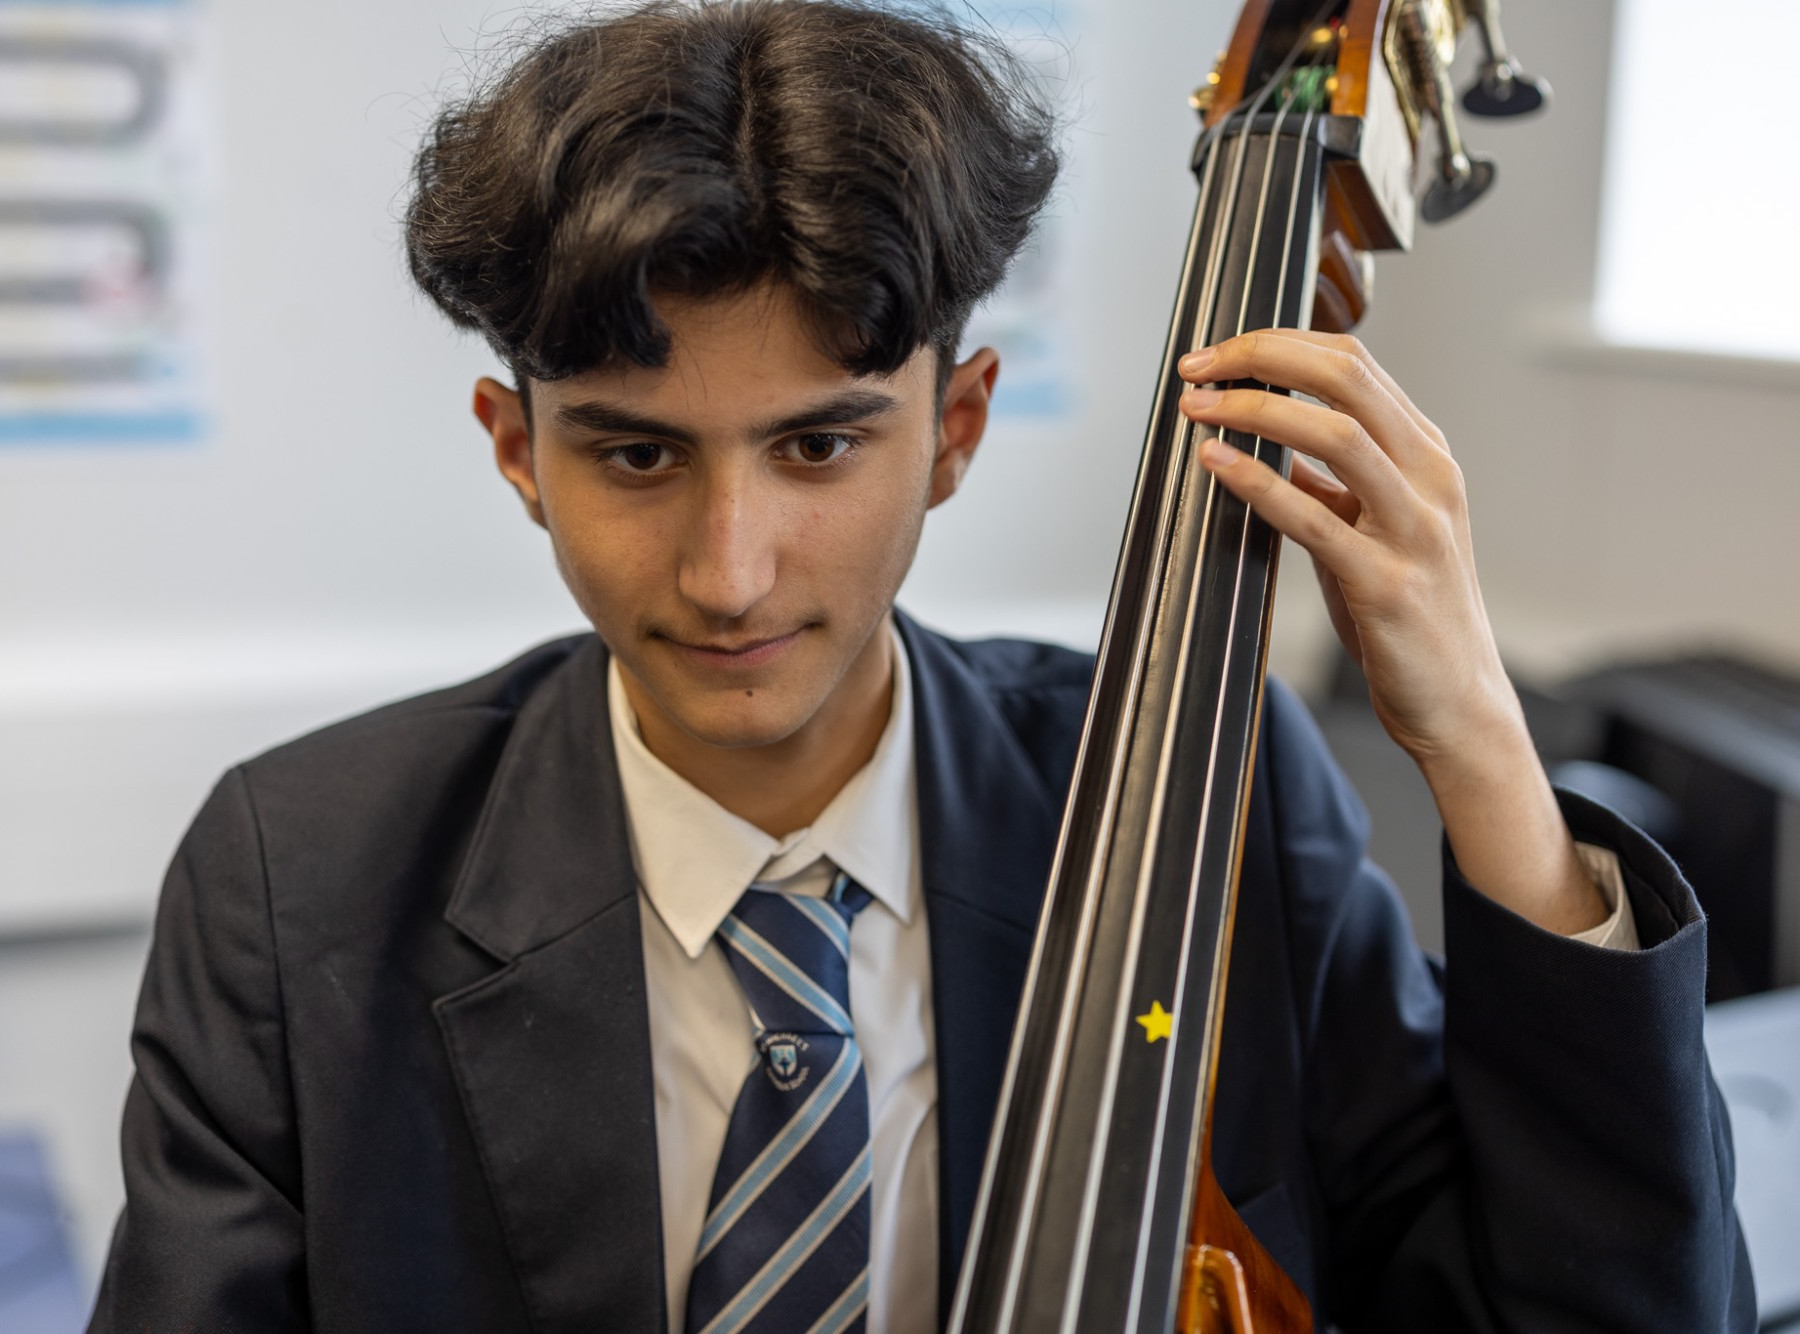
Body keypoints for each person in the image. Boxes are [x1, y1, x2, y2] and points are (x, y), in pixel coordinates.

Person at [88, 2, 1754, 1330]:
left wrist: (1480, 747)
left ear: (954, 429)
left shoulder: (1229, 807)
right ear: (518, 450)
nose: (731, 571)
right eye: (637, 455)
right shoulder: (295, 885)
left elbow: (1606, 1306)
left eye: (818, 446)